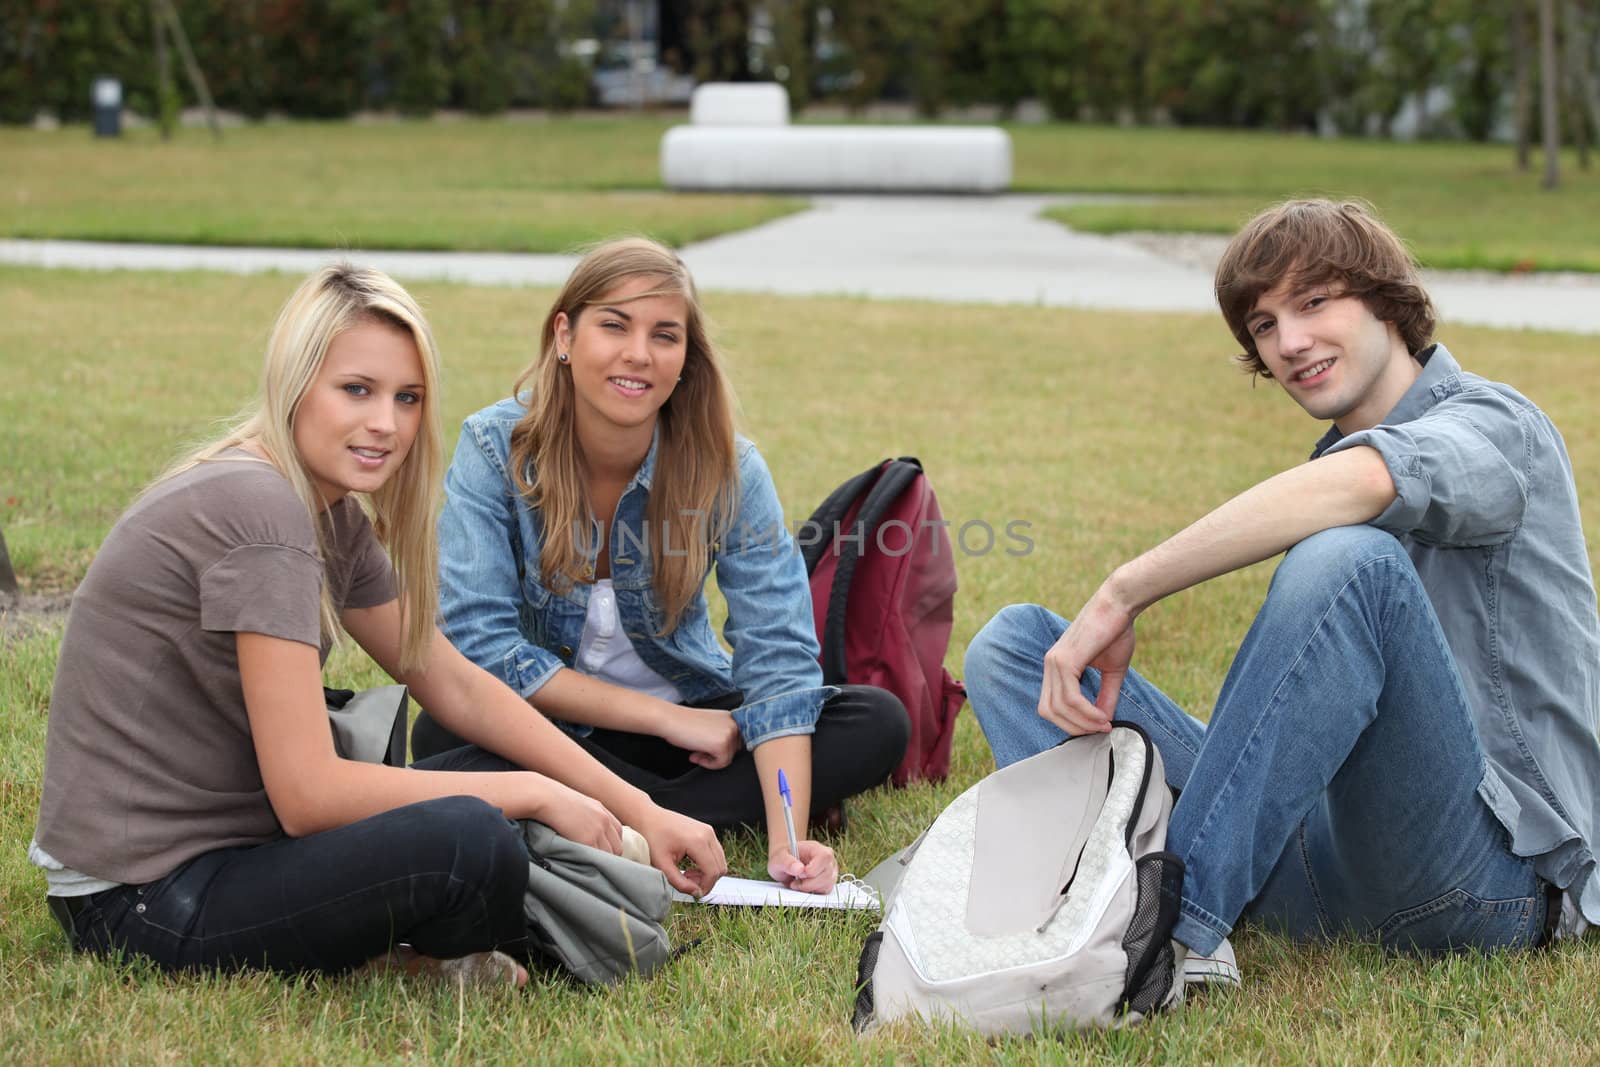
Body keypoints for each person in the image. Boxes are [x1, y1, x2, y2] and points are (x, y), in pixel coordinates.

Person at [30, 264, 726, 983]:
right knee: (474, 837)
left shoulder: (321, 507)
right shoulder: (262, 514)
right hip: (142, 900)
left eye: (408, 398)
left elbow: (454, 684)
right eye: (356, 390)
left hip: (231, 851)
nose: (385, 424)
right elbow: (309, 795)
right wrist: (539, 793)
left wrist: (637, 807)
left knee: (480, 772)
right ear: (296, 382)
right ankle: (403, 961)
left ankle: (401, 944)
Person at [964, 199, 1599, 971]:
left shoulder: (1500, 426)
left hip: (1486, 880)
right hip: (1316, 867)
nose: (1290, 342)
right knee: (1013, 646)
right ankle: (1088, 897)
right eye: (1264, 325)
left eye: (1314, 302)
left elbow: (1368, 483)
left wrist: (1124, 591)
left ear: (1388, 303)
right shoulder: (1327, 468)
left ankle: (1167, 939)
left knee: (1347, 560)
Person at [411, 237, 909, 895]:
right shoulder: (493, 448)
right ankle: (667, 813)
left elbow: (778, 655)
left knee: (876, 721)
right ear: (565, 334)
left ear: (684, 359)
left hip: (698, 726)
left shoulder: (728, 466)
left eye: (664, 335)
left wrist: (788, 840)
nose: (639, 353)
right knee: (444, 730)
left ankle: (606, 820)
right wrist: (663, 718)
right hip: (558, 729)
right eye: (614, 325)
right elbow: (483, 649)